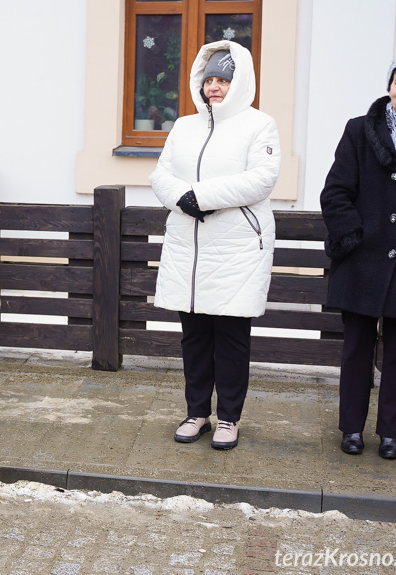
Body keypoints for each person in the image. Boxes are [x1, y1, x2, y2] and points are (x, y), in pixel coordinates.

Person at [149, 41, 281, 450]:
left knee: (231, 336)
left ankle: (229, 419)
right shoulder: (184, 126)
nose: (215, 88)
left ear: (238, 83)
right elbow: (161, 174)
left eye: (224, 80)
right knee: (194, 337)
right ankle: (197, 413)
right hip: (190, 248)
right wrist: (182, 197)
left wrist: (200, 196)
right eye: (209, 80)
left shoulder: (260, 125)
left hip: (236, 248)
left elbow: (261, 178)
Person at [320, 51, 396, 461]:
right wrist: (354, 236)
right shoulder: (359, 130)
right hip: (361, 260)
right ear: (389, 86)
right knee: (356, 349)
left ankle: (389, 433)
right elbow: (335, 193)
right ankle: (351, 429)